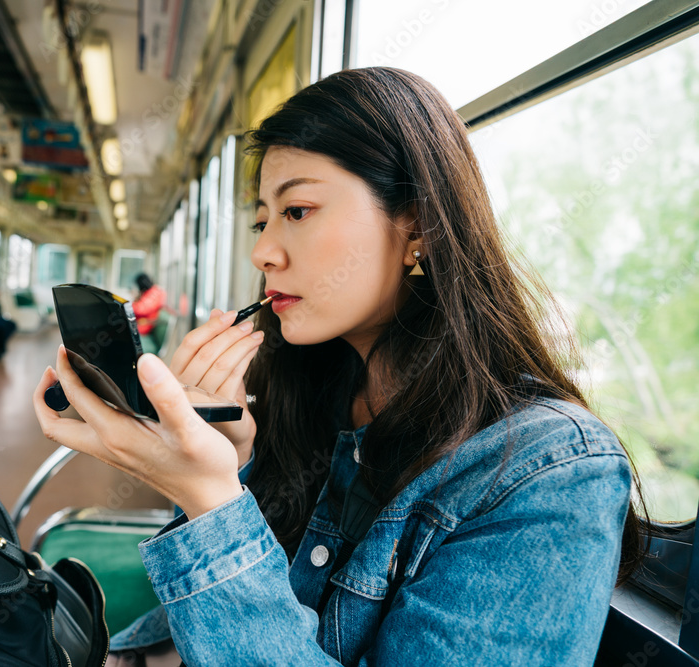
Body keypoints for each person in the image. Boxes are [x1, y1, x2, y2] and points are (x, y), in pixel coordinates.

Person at [33, 68, 646, 666]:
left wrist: (209, 501)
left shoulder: (554, 472)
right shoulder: (299, 389)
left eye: (297, 211)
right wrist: (234, 456)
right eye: (261, 219)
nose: (262, 251)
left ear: (419, 224)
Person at [131, 273, 166, 354]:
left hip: (144, 325)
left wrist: (130, 305)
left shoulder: (154, 293)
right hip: (141, 323)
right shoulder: (150, 292)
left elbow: (141, 309)